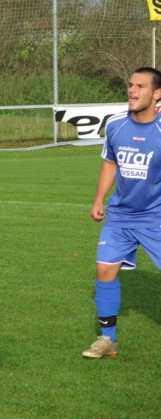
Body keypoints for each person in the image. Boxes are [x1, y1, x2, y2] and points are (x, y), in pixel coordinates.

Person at [82, 66, 161, 359]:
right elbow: (110, 163)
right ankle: (107, 340)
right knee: (104, 270)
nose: (132, 90)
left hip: (156, 217)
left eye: (140, 86)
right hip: (120, 217)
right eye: (130, 85)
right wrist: (99, 198)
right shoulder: (116, 125)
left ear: (157, 94)